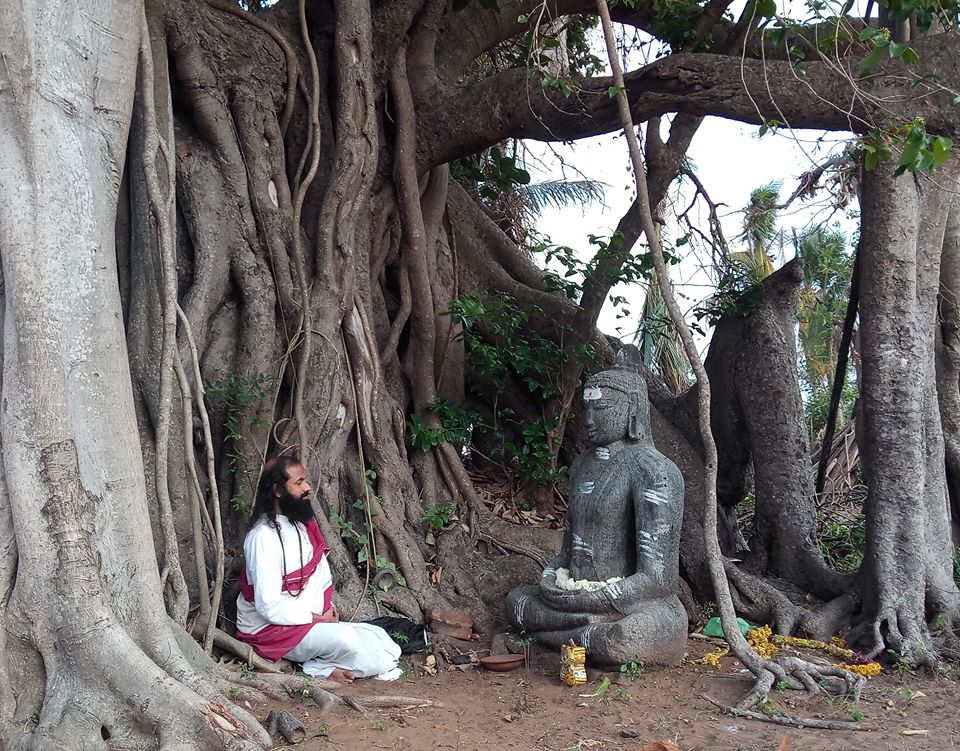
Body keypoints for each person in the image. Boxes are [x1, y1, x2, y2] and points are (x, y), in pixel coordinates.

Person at [505, 362, 687, 666]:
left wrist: (601, 597)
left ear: (632, 409)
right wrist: (551, 576)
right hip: (576, 597)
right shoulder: (582, 465)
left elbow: (659, 578)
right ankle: (579, 635)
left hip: (630, 605)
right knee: (517, 602)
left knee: (625, 636)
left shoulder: (655, 471)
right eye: (586, 408)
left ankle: (562, 637)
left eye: (600, 409)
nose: (589, 419)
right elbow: (567, 553)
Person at [235, 456, 402, 683]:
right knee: (349, 641)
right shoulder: (262, 537)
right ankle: (317, 668)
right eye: (299, 482)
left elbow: (318, 576)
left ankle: (320, 664)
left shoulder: (303, 526)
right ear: (277, 490)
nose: (308, 487)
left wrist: (327, 608)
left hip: (308, 620)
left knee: (380, 638)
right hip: (269, 630)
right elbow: (268, 605)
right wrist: (314, 618)